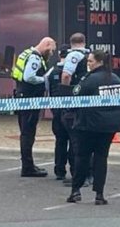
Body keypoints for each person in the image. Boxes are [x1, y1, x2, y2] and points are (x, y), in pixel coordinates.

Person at [64, 49, 120, 205]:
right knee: (101, 158)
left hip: (88, 126)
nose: (88, 64)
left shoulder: (89, 79)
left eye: (90, 61)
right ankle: (99, 194)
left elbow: (75, 97)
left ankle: (75, 191)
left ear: (99, 62)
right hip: (109, 127)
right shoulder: (116, 79)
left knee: (81, 157)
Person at [11, 36, 57, 177]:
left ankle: (28, 165)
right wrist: (44, 80)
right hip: (29, 99)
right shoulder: (35, 58)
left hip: (23, 97)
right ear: (47, 44)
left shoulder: (26, 53)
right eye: (51, 50)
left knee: (26, 132)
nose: (51, 53)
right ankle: (27, 167)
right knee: (28, 134)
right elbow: (28, 77)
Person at [59, 33, 92, 187]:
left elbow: (66, 76)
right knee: (88, 138)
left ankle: (79, 176)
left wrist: (65, 96)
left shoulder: (73, 56)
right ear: (84, 42)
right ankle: (90, 174)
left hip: (76, 102)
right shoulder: (90, 54)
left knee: (76, 140)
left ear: (71, 43)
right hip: (90, 101)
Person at [47, 45, 76, 182]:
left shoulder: (52, 71)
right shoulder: (72, 71)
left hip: (57, 112)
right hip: (70, 111)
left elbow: (47, 90)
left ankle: (59, 171)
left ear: (59, 55)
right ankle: (74, 170)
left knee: (60, 142)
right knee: (73, 141)